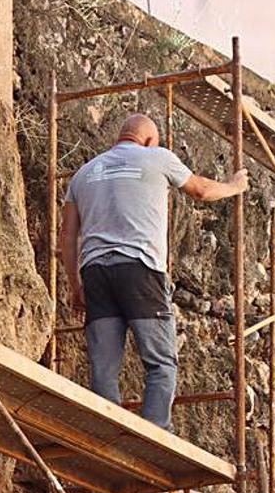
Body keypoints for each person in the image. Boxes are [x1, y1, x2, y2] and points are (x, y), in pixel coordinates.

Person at [59, 113, 249, 430]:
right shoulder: (157, 157)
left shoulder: (84, 174)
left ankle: (107, 433)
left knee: (104, 368)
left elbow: (67, 235)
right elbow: (201, 190)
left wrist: (75, 284)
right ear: (148, 140)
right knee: (161, 363)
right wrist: (235, 186)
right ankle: (156, 431)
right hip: (139, 271)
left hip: (95, 273)